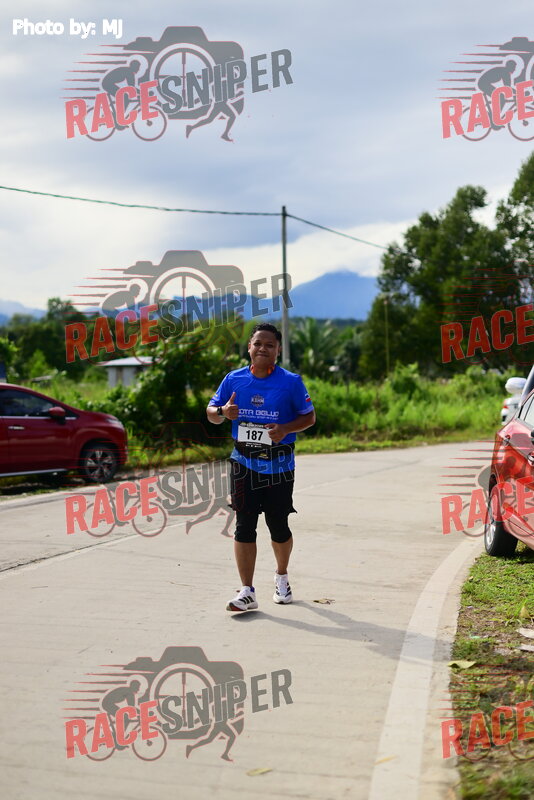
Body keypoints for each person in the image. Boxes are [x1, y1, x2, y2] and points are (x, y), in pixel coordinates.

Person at [206, 322, 316, 612]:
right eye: (257, 343)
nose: (262, 348)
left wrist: (285, 429)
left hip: (279, 465)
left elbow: (309, 417)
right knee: (244, 525)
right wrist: (223, 411)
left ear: (278, 350)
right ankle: (247, 591)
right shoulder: (234, 379)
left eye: (269, 345)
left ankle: (282, 577)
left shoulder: (291, 382)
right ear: (249, 348)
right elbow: (211, 413)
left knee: (278, 526)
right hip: (243, 463)